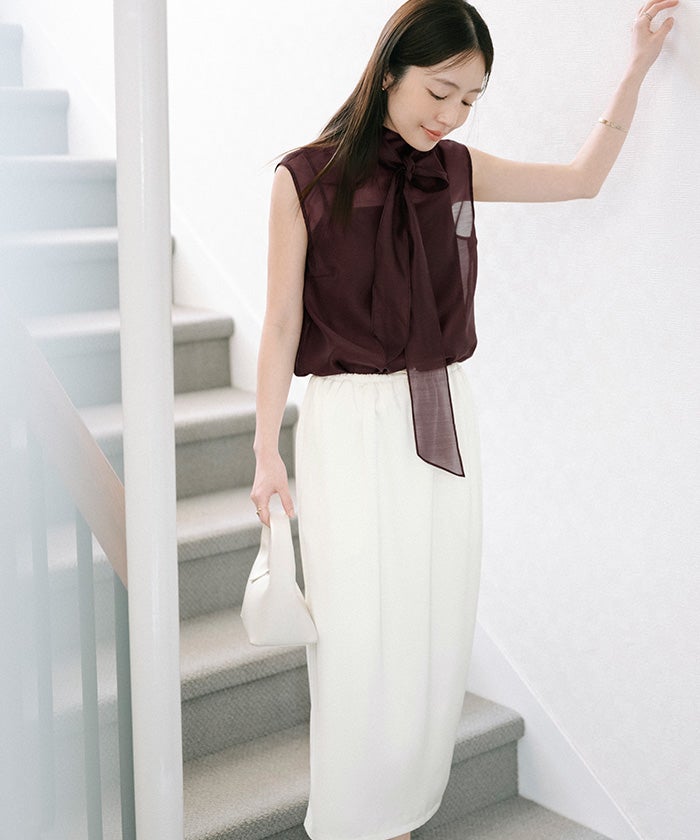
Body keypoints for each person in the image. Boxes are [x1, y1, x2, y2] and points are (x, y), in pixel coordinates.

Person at [250, 1, 677, 839]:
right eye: (439, 92)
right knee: (355, 634)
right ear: (390, 72)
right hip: (346, 422)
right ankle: (353, 820)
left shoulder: (454, 170)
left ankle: (401, 814)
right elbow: (279, 324)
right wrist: (266, 449)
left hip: (440, 412)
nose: (450, 115)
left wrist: (634, 68)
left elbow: (581, 179)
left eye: (470, 100)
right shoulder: (303, 179)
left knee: (429, 624)